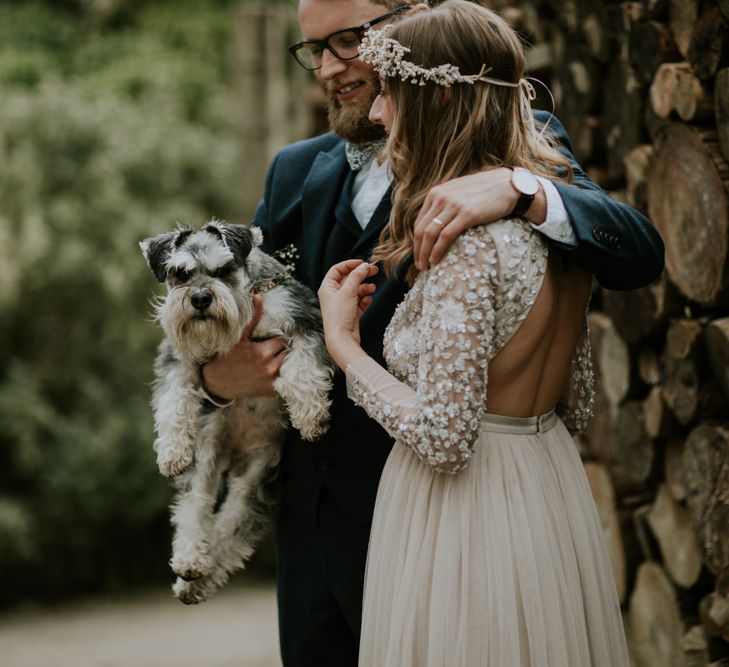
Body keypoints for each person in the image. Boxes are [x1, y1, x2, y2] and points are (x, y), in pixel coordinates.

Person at [201, 1, 662, 664]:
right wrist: (215, 376)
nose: (330, 69)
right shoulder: (295, 171)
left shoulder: (512, 144)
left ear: (409, 18)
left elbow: (637, 251)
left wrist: (518, 187)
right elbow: (245, 313)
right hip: (314, 536)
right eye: (313, 51)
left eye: (349, 41)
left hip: (450, 520)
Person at [317, 2, 630, 664]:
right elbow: (574, 400)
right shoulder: (551, 219)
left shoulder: (468, 243)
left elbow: (445, 435)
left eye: (391, 95)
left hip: (464, 512)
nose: (377, 114)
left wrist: (343, 344)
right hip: (546, 485)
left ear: (440, 100)